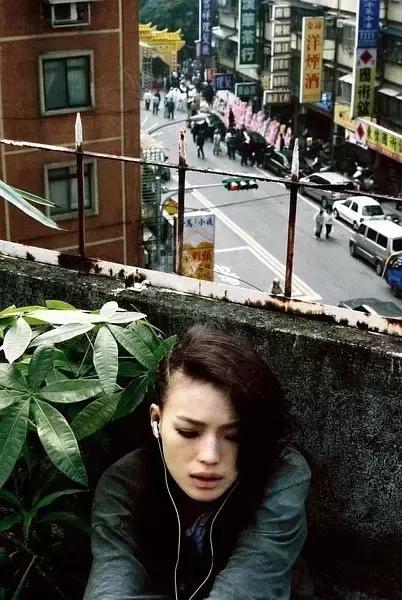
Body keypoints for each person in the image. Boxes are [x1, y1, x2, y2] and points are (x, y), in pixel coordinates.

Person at [84, 327, 311, 600]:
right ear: (156, 420)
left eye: (234, 435)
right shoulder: (124, 486)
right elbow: (110, 588)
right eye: (189, 432)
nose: (210, 456)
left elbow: (249, 586)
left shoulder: (281, 474)